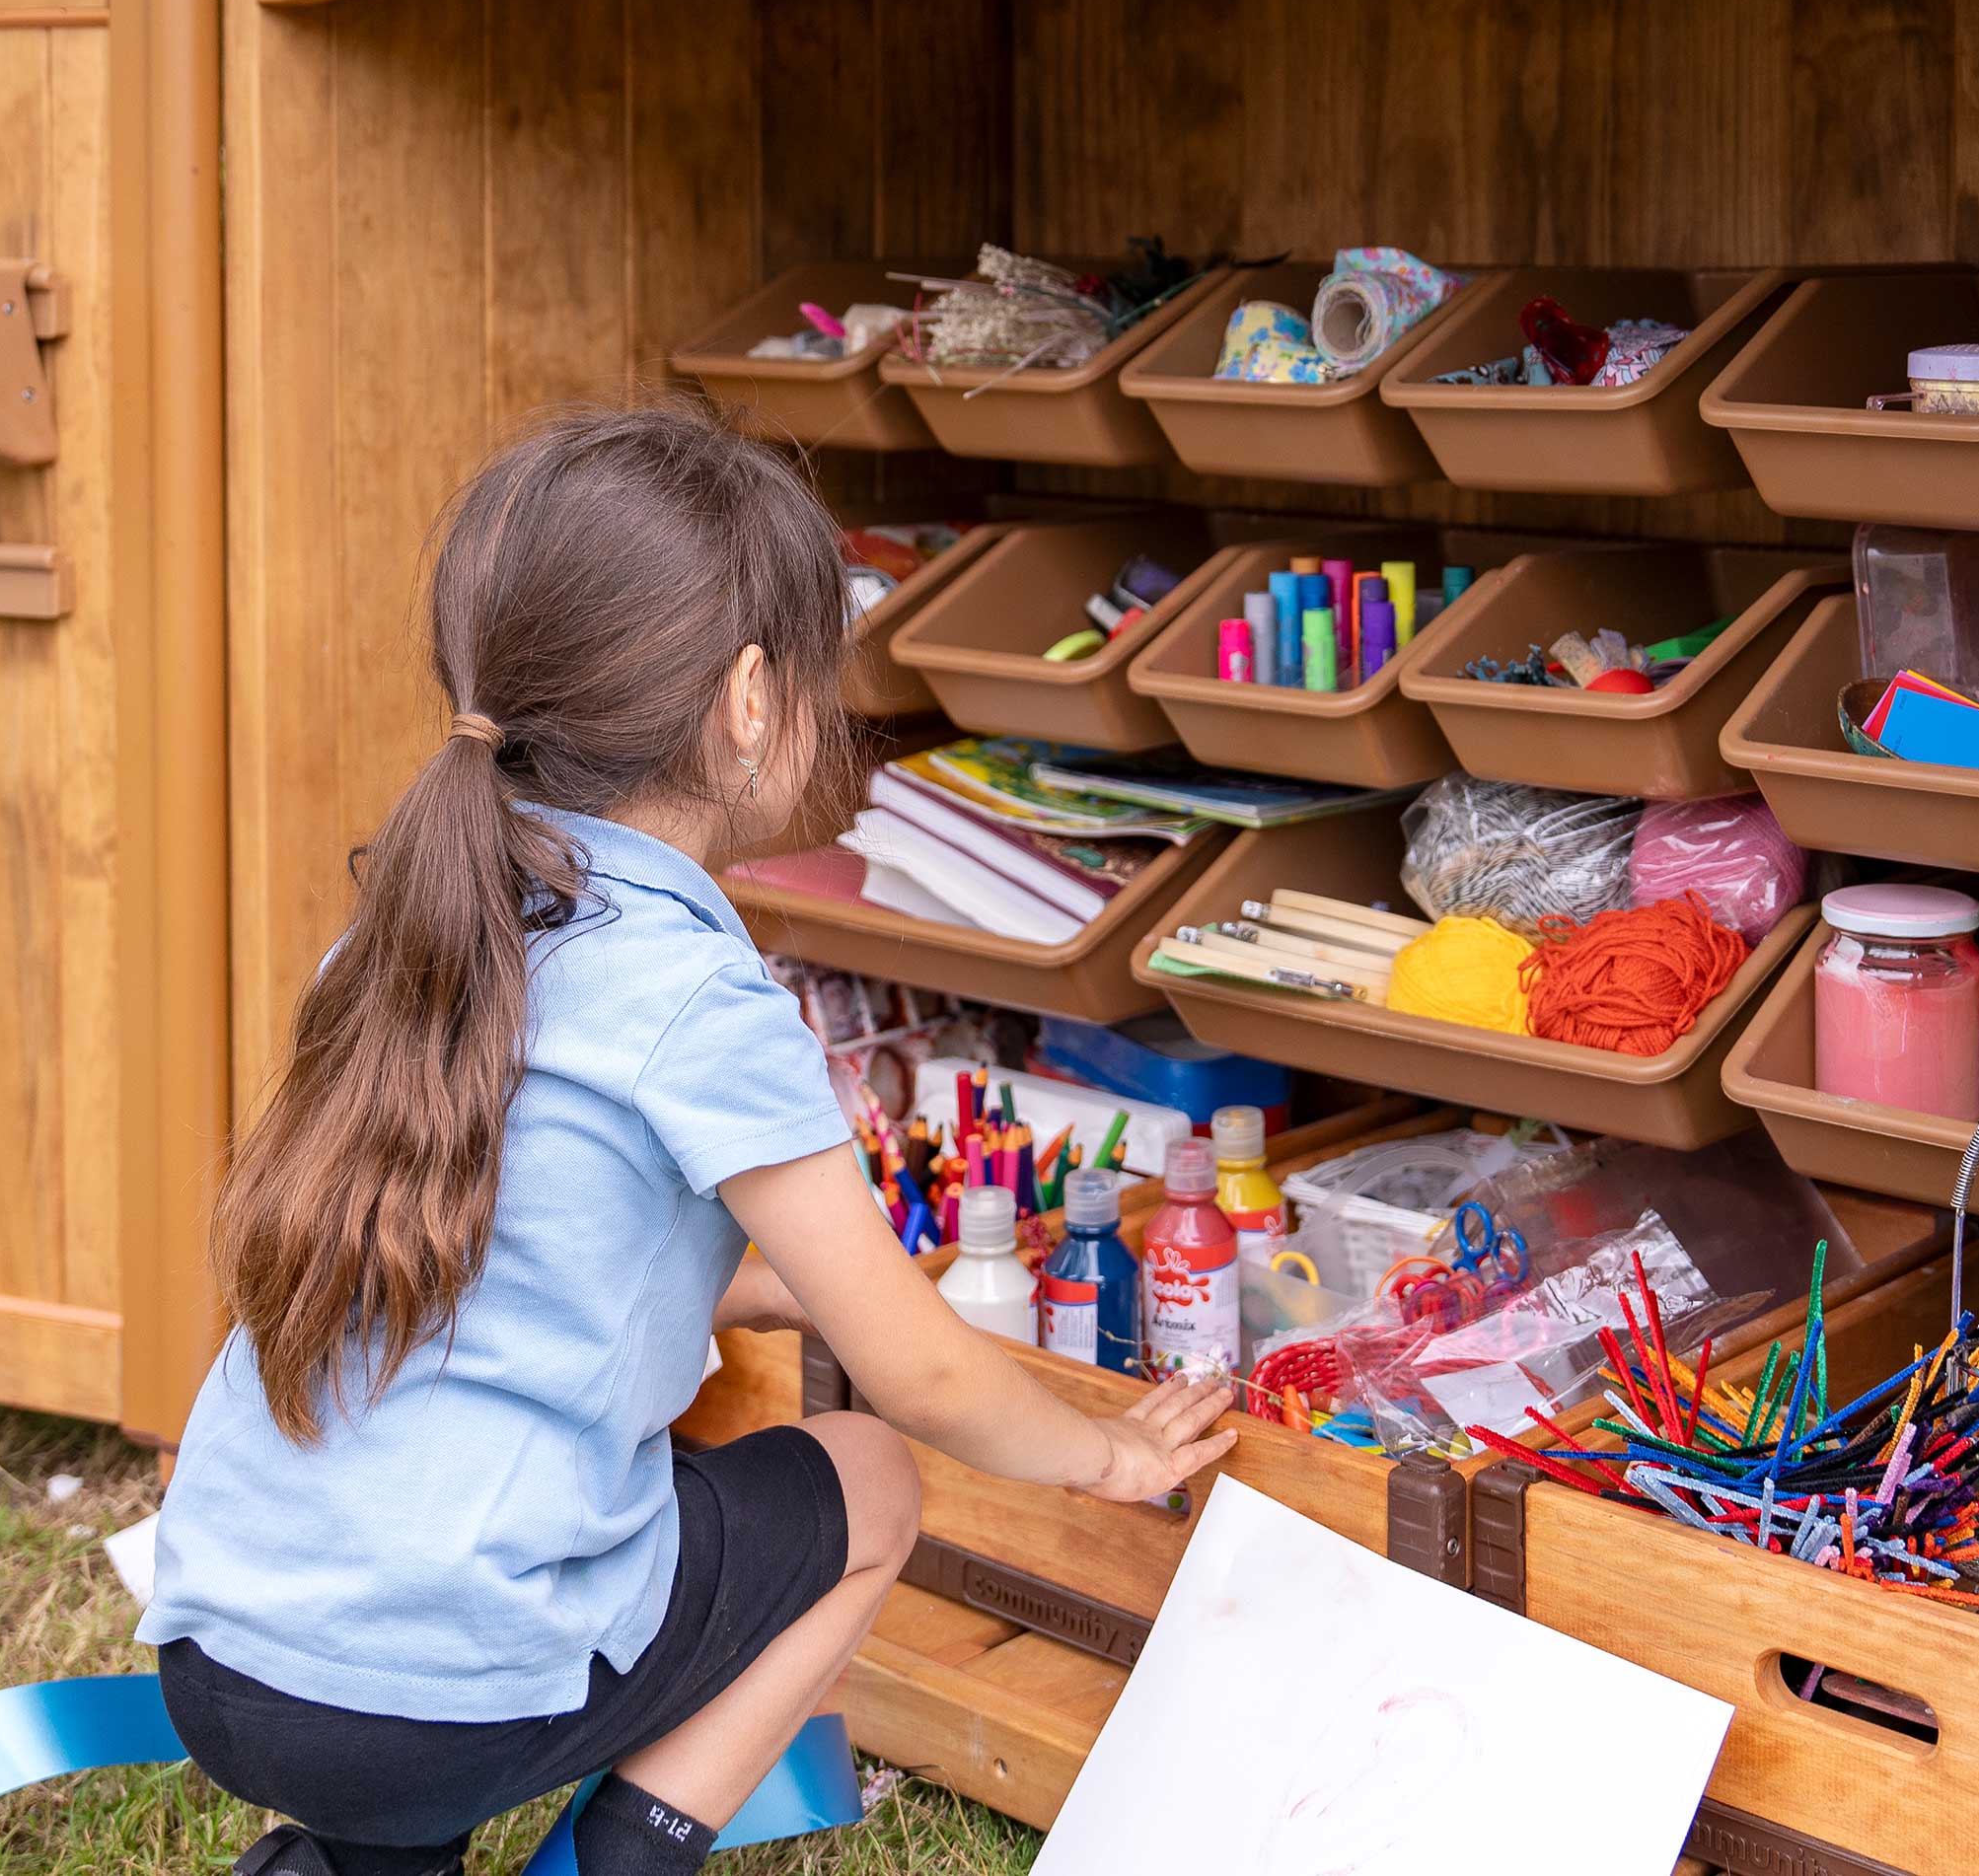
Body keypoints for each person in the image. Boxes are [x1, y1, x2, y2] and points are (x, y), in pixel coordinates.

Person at [139, 402, 1236, 1876]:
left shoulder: (405, 928)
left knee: (466, 1559)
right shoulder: (696, 993)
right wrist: (1102, 1454)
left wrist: (732, 1284)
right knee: (868, 1477)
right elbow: (913, 1371)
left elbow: (488, 1249)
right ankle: (632, 1852)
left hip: (228, 1663)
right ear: (748, 701)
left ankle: (357, 1859)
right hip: (434, 1692)